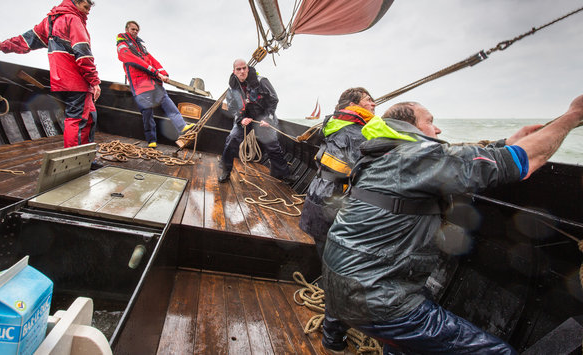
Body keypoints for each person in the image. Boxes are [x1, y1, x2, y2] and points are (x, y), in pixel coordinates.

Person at [320, 96, 583, 354]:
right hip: (374, 301)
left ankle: (335, 340)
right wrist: (573, 116)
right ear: (411, 127)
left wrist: (505, 143)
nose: (438, 129)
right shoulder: (419, 156)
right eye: (430, 121)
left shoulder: (378, 154)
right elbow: (524, 161)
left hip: (335, 284)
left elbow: (458, 158)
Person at [0, 0, 100, 148]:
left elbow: (25, 41)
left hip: (63, 80)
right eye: (85, 7)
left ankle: (87, 156)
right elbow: (83, 54)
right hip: (78, 80)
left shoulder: (50, 22)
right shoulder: (73, 19)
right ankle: (74, 159)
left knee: (89, 116)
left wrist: (2, 45)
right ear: (74, 3)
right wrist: (94, 81)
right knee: (77, 120)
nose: (88, 12)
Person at [300, 87, 376, 258]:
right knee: (330, 246)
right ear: (353, 105)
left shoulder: (335, 124)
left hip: (318, 192)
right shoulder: (358, 132)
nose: (373, 103)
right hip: (335, 199)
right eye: (368, 100)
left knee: (320, 240)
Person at [116, 21, 192, 148]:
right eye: (133, 29)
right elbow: (135, 61)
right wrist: (156, 73)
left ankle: (182, 126)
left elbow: (152, 60)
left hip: (152, 82)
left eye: (137, 30)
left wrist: (164, 73)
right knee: (147, 113)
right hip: (140, 84)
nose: (135, 32)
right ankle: (151, 140)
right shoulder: (122, 45)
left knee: (167, 102)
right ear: (126, 29)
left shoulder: (141, 47)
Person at [219, 59, 295, 184]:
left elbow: (273, 100)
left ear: (248, 68)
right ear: (234, 71)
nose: (242, 71)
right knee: (232, 139)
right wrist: (241, 118)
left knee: (272, 146)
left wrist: (267, 119)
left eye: (244, 68)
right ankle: (226, 171)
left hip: (263, 118)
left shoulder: (262, 81)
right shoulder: (232, 88)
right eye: (239, 69)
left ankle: (283, 174)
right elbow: (232, 107)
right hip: (244, 119)